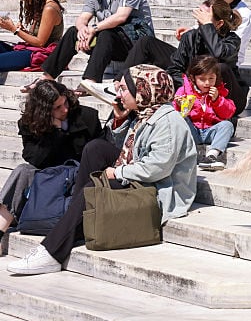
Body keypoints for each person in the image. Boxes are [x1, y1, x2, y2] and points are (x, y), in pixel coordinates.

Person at [8, 65, 198, 276]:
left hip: (159, 189)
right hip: (142, 177)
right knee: (95, 148)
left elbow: (157, 168)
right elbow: (125, 148)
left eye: (125, 89)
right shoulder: (146, 113)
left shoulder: (168, 123)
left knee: (93, 188)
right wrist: (119, 121)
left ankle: (52, 253)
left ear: (143, 90)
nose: (119, 94)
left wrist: (118, 173)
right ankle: (74, 219)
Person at [37, 0, 153, 96]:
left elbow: (120, 17)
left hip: (135, 45)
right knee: (73, 32)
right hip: (111, 44)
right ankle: (47, 77)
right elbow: (82, 18)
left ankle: (90, 82)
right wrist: (83, 30)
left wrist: (94, 28)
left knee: (106, 33)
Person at [0, 81, 102, 238]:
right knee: (23, 170)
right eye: (57, 108)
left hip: (76, 177)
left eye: (65, 102)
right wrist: (55, 131)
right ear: (44, 111)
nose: (65, 109)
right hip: (47, 177)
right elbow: (33, 159)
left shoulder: (87, 117)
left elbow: (98, 153)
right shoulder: (30, 123)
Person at [120, 0, 244, 115]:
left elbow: (218, 53)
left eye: (204, 18)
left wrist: (207, 26)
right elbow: (174, 68)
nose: (199, 21)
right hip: (194, 95)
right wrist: (193, 86)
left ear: (219, 24)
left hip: (227, 99)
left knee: (220, 67)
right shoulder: (191, 36)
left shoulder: (232, 40)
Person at [175, 55, 236, 172]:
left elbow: (228, 113)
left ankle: (211, 156)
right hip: (193, 131)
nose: (207, 83)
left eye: (211, 79)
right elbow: (174, 117)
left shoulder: (218, 92)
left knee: (227, 125)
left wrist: (217, 99)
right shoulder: (183, 91)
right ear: (193, 78)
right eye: (202, 79)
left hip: (210, 131)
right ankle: (181, 154)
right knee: (179, 118)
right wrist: (179, 106)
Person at [0, 0, 64, 71]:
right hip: (32, 49)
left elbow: (40, 42)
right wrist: (22, 31)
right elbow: (35, 37)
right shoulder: (39, 5)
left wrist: (14, 30)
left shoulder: (49, 8)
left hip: (42, 53)